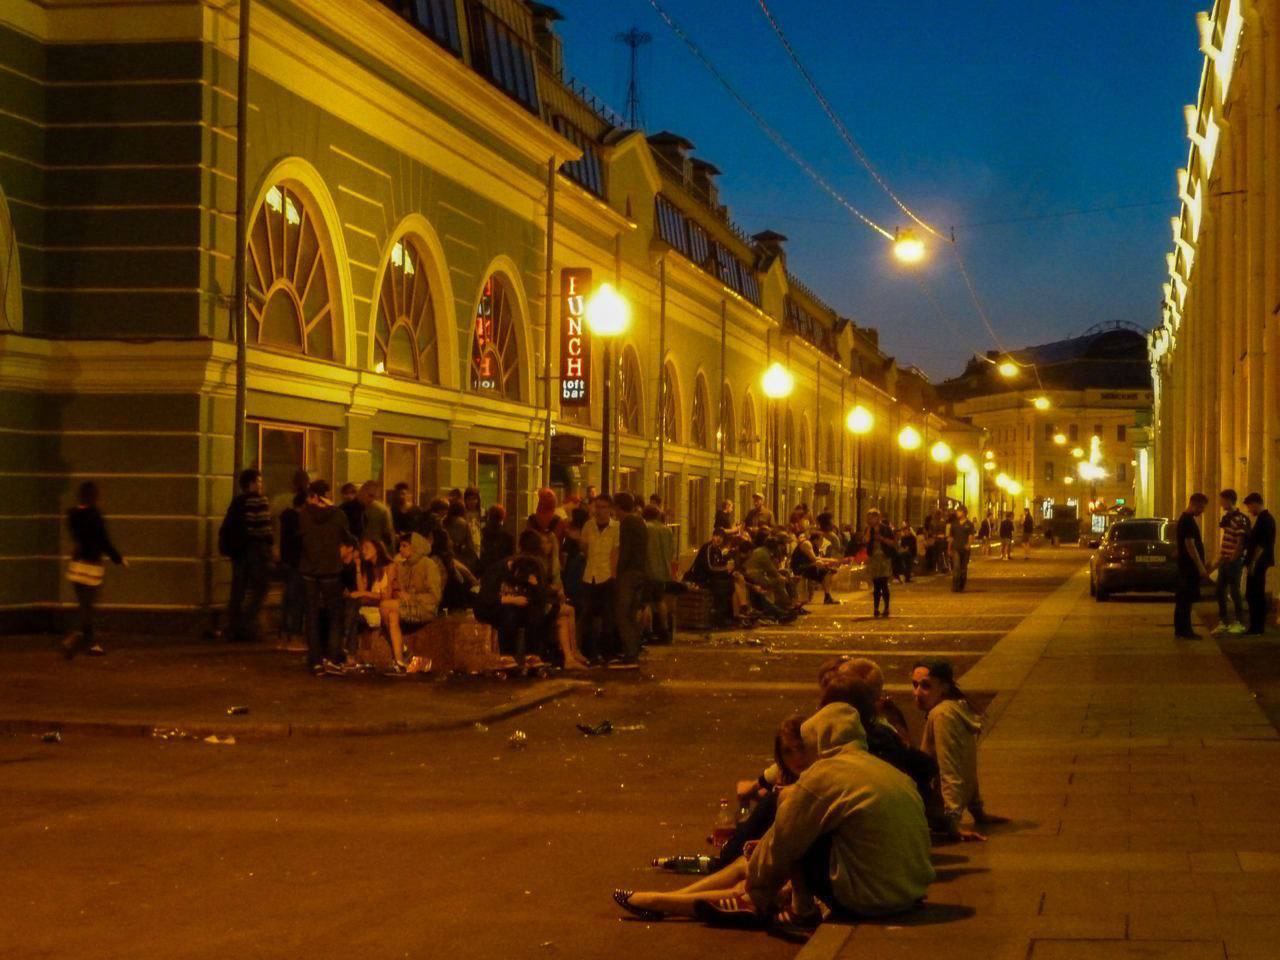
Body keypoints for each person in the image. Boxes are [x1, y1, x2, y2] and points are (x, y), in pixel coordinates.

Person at [616, 703, 935, 927]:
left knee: (780, 835)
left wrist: (757, 884)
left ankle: (669, 902)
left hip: (868, 898)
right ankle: (664, 900)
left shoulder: (824, 775)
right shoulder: (886, 771)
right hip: (907, 890)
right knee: (766, 851)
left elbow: (784, 842)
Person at [911, 659, 1007, 842]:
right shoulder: (956, 707)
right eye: (914, 685)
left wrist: (953, 822)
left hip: (935, 810)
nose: (917, 693)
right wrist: (978, 811)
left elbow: (950, 767)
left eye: (926, 686)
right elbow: (967, 764)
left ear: (944, 687)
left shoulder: (942, 715)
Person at [62, 481, 126, 658]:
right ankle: (84, 642)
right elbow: (103, 541)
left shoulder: (72, 514)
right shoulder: (95, 515)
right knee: (88, 607)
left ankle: (82, 641)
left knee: (83, 605)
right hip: (91, 566)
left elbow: (78, 537)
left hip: (76, 565)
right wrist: (118, 558)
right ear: (95, 496)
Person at [298, 480, 351, 675]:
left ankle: (316, 660)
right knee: (334, 615)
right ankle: (333, 657)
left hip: (309, 571)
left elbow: (300, 540)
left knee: (311, 615)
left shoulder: (304, 515)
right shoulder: (338, 515)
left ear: (313, 495)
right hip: (331, 570)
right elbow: (348, 538)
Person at [219, 468, 274, 644]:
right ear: (250, 484)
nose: (260, 484)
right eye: (257, 481)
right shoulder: (259, 500)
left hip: (239, 551)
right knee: (260, 587)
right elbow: (264, 528)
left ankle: (233, 627)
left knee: (238, 589)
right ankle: (248, 623)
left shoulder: (237, 503)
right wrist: (269, 545)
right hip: (255, 550)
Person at [577, 493, 619, 664]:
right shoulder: (588, 526)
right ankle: (590, 653)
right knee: (587, 615)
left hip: (607, 575)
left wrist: (614, 574)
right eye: (597, 507)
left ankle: (607, 653)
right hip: (590, 576)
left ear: (610, 509)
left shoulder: (616, 528)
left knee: (608, 617)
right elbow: (584, 548)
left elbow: (616, 552)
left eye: (603, 507)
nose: (599, 511)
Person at [613, 491, 648, 667]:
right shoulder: (640, 522)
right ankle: (634, 649)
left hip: (629, 573)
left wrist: (618, 572)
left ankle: (630, 652)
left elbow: (625, 550)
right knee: (632, 613)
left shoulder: (627, 523)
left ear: (618, 508)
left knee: (623, 614)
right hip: (640, 571)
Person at [1175, 493, 1213, 640]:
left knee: (1183, 599)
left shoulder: (1184, 519)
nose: (1202, 511)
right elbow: (1190, 545)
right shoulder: (1188, 521)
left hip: (1185, 566)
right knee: (1186, 599)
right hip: (1189, 568)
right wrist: (1200, 566)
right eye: (1202, 507)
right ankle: (1185, 630)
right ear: (1195, 504)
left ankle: (1181, 630)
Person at [1212, 489, 1250, 636]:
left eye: (1222, 500)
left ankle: (1239, 622)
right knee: (1220, 591)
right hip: (1226, 559)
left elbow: (1240, 542)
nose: (1221, 503)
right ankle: (1224, 621)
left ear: (1229, 500)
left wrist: (1234, 557)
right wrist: (1220, 558)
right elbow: (1227, 539)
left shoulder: (1240, 519)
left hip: (1233, 561)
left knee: (1234, 591)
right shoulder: (1227, 517)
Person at [643, 504, 676, 644]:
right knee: (660, 600)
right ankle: (665, 630)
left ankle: (648, 631)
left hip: (647, 570)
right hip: (662, 571)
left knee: (646, 603)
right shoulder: (667, 530)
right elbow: (671, 552)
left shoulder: (645, 528)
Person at [1243, 492, 1275, 636]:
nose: (1249, 510)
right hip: (1257, 561)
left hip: (1259, 562)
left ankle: (1257, 626)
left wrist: (1254, 562)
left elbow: (1262, 544)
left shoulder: (1265, 520)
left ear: (1256, 503)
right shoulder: (1263, 519)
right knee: (1252, 594)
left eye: (1249, 507)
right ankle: (1255, 625)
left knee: (1255, 594)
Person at [791, 530, 840, 605]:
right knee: (825, 568)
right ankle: (827, 597)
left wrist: (830, 562)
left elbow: (817, 558)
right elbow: (814, 559)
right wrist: (831, 560)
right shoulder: (807, 544)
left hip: (807, 565)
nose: (822, 541)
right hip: (800, 567)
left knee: (830, 571)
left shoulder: (815, 546)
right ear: (816, 539)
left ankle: (827, 596)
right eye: (821, 539)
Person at [863, 510, 896, 619]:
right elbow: (866, 542)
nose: (869, 520)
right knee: (876, 585)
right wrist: (869, 533)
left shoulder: (886, 529)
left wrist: (881, 539)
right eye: (868, 518)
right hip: (874, 559)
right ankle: (876, 608)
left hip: (884, 558)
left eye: (871, 518)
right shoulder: (869, 530)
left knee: (884, 584)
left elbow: (893, 543)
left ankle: (886, 607)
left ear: (877, 518)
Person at [358, 481, 395, 554]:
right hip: (375, 550)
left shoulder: (381, 510)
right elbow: (388, 534)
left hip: (366, 550)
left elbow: (388, 534)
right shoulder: (382, 510)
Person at [478, 504, 515, 576]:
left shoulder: (483, 532)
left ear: (489, 516)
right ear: (503, 517)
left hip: (486, 568)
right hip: (502, 570)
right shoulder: (508, 535)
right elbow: (511, 556)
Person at [445, 499, 480, 574]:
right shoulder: (464, 523)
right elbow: (470, 546)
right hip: (460, 559)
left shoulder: (445, 522)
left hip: (446, 558)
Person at [949, 506, 975, 593]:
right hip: (956, 548)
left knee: (963, 568)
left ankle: (961, 585)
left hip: (965, 548)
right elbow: (951, 537)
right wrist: (949, 548)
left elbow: (971, 536)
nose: (957, 513)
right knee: (956, 567)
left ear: (964, 513)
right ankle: (955, 585)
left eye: (958, 512)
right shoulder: (954, 524)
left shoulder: (969, 524)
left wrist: (969, 544)